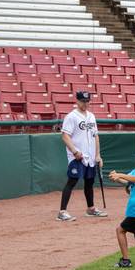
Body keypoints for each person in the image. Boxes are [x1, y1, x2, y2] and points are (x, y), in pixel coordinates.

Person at [57, 90, 107, 221]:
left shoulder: (91, 116)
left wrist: (98, 155)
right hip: (77, 156)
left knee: (89, 182)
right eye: (83, 101)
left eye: (87, 101)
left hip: (90, 156)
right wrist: (74, 151)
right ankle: (62, 212)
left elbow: (95, 136)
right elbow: (65, 135)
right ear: (77, 101)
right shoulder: (71, 116)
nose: (85, 103)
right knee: (72, 181)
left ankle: (91, 209)